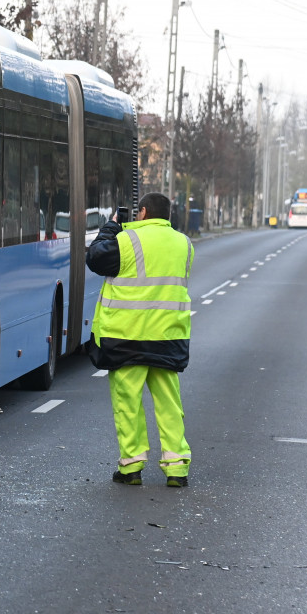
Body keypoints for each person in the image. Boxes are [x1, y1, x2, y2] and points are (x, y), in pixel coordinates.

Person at [85, 192, 194, 487]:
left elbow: (94, 258)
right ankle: (177, 469)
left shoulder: (126, 242)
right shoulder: (185, 244)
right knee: (170, 404)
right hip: (168, 337)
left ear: (142, 212)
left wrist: (110, 227)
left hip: (126, 337)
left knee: (127, 403)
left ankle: (131, 467)